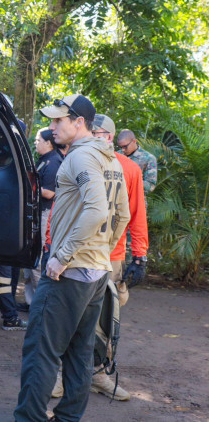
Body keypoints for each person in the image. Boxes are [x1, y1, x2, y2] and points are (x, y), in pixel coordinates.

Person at [14, 94, 130, 422]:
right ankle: (67, 418)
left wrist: (62, 256)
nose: (51, 127)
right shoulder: (110, 158)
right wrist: (101, 252)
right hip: (95, 271)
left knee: (41, 350)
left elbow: (97, 210)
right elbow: (122, 214)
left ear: (79, 122)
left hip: (70, 270)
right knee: (80, 352)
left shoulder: (81, 157)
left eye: (58, 120)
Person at [88, 114, 148, 401]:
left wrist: (140, 256)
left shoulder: (130, 169)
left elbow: (136, 214)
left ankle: (98, 374)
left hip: (112, 256)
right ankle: (61, 374)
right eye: (90, 132)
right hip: (79, 254)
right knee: (69, 316)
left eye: (97, 133)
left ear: (109, 137)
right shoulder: (78, 160)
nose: (92, 137)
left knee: (106, 320)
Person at [25, 129, 62, 305]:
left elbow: (49, 192)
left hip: (45, 214)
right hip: (36, 213)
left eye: (38, 140)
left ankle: (41, 303)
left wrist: (26, 186)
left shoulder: (54, 162)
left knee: (37, 256)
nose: (36, 143)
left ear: (48, 143)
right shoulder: (44, 159)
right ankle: (31, 301)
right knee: (29, 257)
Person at [117, 129, 158, 194]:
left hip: (136, 198)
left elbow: (151, 186)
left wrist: (131, 182)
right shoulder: (116, 156)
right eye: (120, 147)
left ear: (134, 141)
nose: (123, 150)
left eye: (125, 146)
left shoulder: (149, 158)